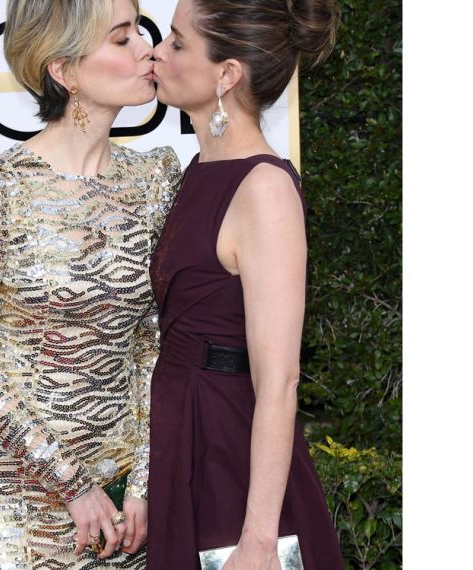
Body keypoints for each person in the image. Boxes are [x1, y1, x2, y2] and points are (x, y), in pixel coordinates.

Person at [0, 0, 182, 567]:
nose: (146, 51)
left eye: (141, 34)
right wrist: (71, 484)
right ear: (64, 70)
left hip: (121, 506)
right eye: (121, 39)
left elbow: (156, 343)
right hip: (5, 502)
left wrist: (144, 480)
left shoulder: (155, 179)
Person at [145, 0, 345, 568]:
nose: (157, 52)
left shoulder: (264, 189)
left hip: (230, 454)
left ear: (227, 75)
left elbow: (279, 379)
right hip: (186, 437)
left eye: (178, 44)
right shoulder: (200, 170)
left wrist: (258, 539)